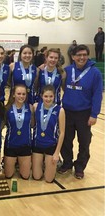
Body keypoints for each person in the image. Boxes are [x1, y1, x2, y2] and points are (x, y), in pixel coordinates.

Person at [59, 44, 103, 179]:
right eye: (79, 55)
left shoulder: (95, 73)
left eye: (84, 55)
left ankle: (80, 167)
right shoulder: (67, 70)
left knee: (84, 142)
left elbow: (97, 95)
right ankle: (67, 163)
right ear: (73, 57)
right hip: (67, 112)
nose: (82, 57)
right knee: (66, 140)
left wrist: (94, 114)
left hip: (84, 113)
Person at [32, 85, 65, 183]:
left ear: (54, 96)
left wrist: (57, 153)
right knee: (37, 177)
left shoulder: (60, 110)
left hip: (51, 145)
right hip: (37, 144)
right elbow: (32, 125)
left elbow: (62, 133)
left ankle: (48, 163)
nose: (48, 99)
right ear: (42, 96)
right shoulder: (36, 106)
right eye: (46, 96)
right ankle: (41, 164)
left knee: (48, 179)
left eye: (51, 96)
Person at [4, 84, 33, 179]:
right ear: (13, 94)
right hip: (11, 145)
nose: (21, 96)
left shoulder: (30, 108)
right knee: (8, 175)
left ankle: (20, 164)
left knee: (25, 176)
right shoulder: (7, 109)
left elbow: (32, 124)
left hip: (25, 145)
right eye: (19, 93)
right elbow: (1, 125)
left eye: (23, 94)